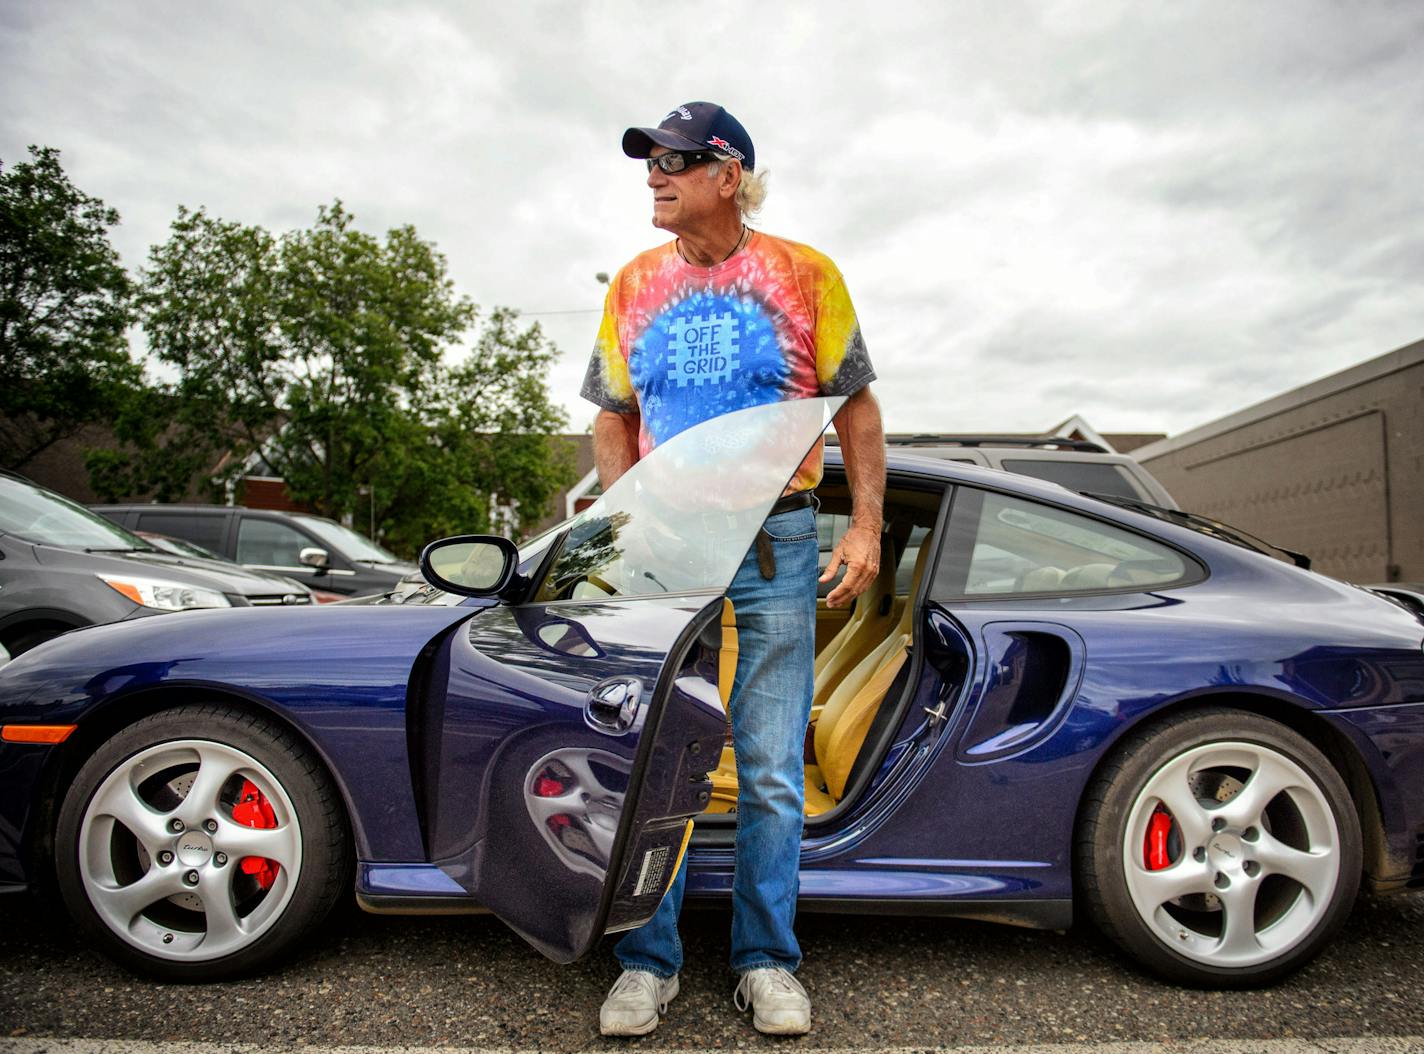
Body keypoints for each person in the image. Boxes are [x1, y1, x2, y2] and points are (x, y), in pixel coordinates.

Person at [581, 101, 885, 1037]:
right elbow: (610, 419)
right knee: (657, 757)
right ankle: (648, 961)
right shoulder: (633, 284)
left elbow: (858, 414)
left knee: (768, 766)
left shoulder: (805, 275)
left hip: (777, 541)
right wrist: (629, 527)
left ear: (728, 173)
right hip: (670, 552)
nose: (653, 176)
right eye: (649, 162)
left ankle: (766, 960)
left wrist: (865, 527)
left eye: (672, 160)